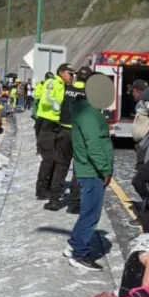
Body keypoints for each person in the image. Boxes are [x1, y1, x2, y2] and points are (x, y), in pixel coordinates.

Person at [66, 77, 113, 271]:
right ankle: (80, 255)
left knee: (87, 212)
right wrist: (105, 170)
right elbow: (93, 145)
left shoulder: (85, 112)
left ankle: (74, 244)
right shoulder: (89, 115)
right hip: (92, 171)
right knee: (91, 214)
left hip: (88, 169)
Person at [62, 67, 92, 215]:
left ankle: (54, 197)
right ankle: (74, 203)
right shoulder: (89, 93)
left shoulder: (68, 89)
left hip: (64, 130)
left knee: (61, 165)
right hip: (80, 133)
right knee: (79, 168)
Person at [36, 68, 68, 204]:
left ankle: (49, 186)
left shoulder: (63, 85)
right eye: (69, 73)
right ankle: (41, 190)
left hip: (56, 125)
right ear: (61, 72)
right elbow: (46, 99)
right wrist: (57, 106)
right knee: (48, 159)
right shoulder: (52, 82)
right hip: (47, 124)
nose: (71, 76)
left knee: (55, 159)